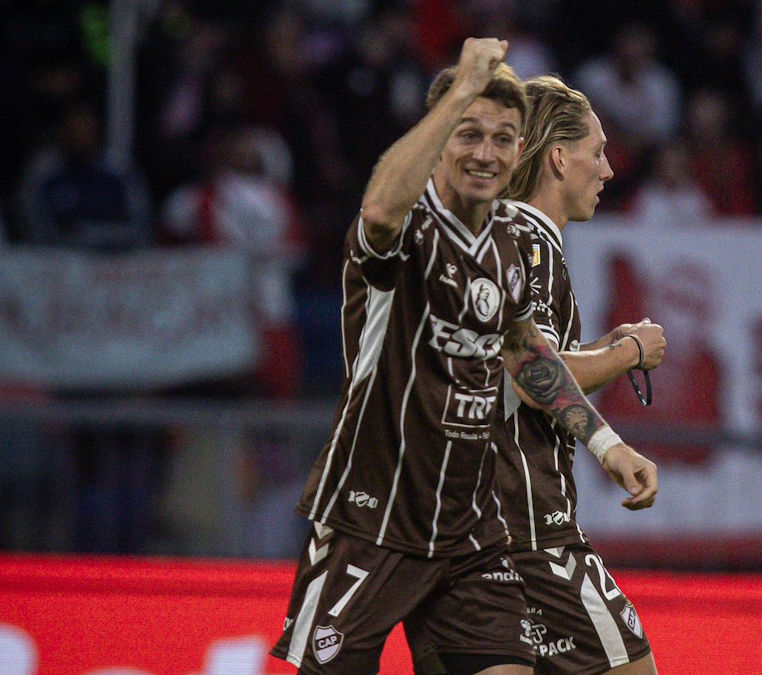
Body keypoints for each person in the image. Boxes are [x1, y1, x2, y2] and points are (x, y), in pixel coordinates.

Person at [270, 39, 658, 674]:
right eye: (468, 134)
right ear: (440, 138)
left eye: (504, 139)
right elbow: (379, 209)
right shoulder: (407, 229)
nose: (487, 152)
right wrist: (458, 93)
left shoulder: (506, 247)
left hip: (470, 528)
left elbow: (531, 358)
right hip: (375, 515)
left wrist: (608, 447)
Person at [495, 75, 666, 674]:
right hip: (531, 528)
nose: (609, 170)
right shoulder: (529, 241)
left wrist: (596, 348)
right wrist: (629, 355)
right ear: (559, 158)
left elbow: (518, 362)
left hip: (472, 532)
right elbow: (528, 374)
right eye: (598, 152)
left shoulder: (495, 239)